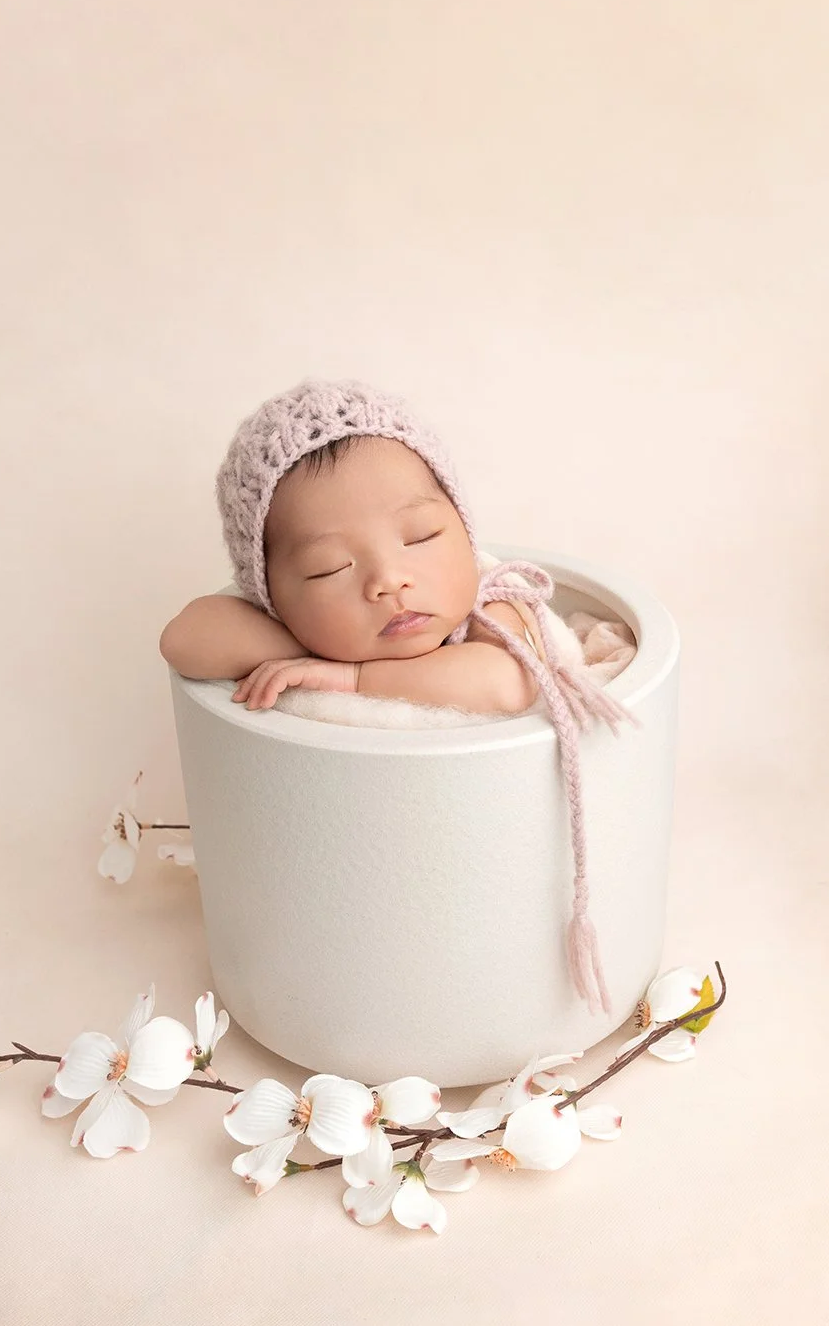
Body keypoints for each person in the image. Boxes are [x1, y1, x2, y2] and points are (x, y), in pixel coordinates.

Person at [159, 378, 640, 1015]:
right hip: (359, 895)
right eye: (329, 568)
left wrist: (351, 676)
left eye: (419, 537)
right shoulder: (298, 630)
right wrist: (302, 640)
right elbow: (184, 636)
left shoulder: (498, 605)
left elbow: (503, 683)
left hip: (503, 868)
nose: (390, 579)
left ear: (464, 530)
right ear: (271, 594)